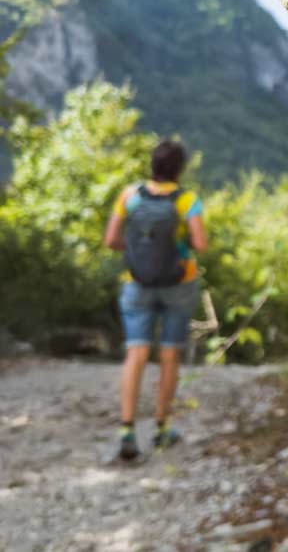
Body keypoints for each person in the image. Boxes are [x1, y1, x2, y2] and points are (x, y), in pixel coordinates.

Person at [102, 139, 207, 460]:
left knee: (136, 353)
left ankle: (127, 429)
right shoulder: (186, 200)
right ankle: (162, 427)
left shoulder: (129, 196)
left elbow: (111, 239)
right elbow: (201, 243)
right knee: (170, 355)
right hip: (179, 283)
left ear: (152, 165)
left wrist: (138, 252)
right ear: (180, 169)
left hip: (137, 283)